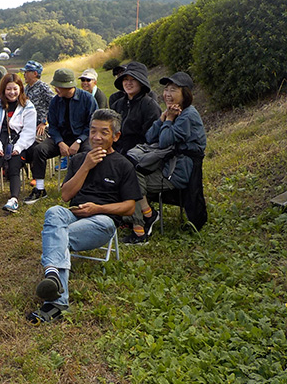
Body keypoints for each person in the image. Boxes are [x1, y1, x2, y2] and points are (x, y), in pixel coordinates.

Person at [27, 109, 141, 324]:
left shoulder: (123, 165)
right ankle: (54, 280)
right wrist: (87, 166)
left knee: (55, 235)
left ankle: (56, 294)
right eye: (93, 131)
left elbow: (129, 208)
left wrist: (97, 208)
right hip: (74, 215)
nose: (97, 137)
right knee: (54, 212)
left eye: (104, 133)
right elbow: (65, 195)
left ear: (115, 136)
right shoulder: (79, 159)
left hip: (102, 222)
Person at [121, 72, 206, 244]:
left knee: (132, 177)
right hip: (166, 166)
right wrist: (162, 118)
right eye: (166, 89)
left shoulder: (188, 115)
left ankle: (141, 228)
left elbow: (165, 140)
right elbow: (150, 136)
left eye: (173, 90)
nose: (167, 94)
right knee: (130, 172)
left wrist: (170, 119)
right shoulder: (174, 112)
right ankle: (148, 213)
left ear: (185, 93)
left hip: (177, 172)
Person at [24, 68, 98, 204]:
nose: (56, 89)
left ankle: (84, 187)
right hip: (61, 139)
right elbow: (53, 126)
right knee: (39, 150)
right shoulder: (55, 101)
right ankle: (40, 189)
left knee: (87, 153)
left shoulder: (87, 99)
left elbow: (92, 125)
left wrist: (79, 141)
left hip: (82, 138)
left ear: (68, 86)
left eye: (58, 86)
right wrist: (59, 142)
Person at [0, 73, 37, 212]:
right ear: (3, 90)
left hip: (20, 139)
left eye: (15, 89)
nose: (12, 92)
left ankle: (14, 199)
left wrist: (19, 147)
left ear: (20, 89)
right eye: (8, 89)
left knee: (15, 163)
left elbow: (29, 131)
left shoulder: (27, 106)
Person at [110, 61, 162, 156]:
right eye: (125, 79)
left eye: (133, 79)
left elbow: (151, 137)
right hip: (117, 152)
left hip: (139, 154)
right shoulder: (117, 104)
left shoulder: (150, 105)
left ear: (141, 83)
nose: (128, 83)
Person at [22, 60, 53, 141]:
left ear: (35, 73)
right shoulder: (27, 88)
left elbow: (55, 105)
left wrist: (44, 122)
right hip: (29, 125)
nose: (24, 75)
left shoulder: (43, 87)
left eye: (26, 72)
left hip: (41, 127)